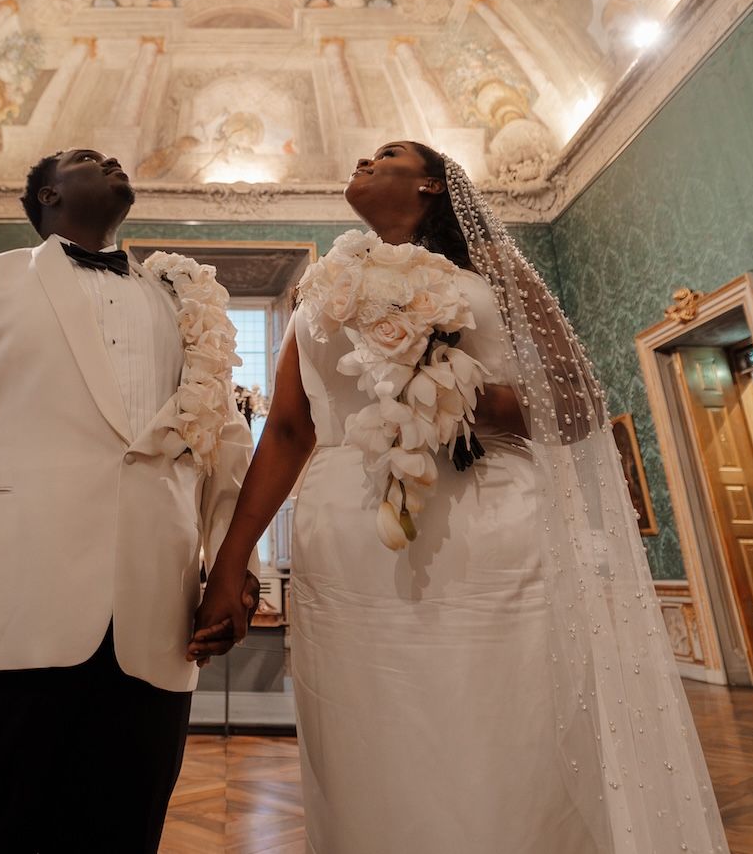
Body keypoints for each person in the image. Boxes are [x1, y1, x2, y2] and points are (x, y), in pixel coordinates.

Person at [192, 141, 726, 852]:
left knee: (500, 730)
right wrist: (232, 560)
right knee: (367, 744)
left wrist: (455, 396)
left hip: (489, 529)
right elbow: (289, 430)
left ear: (433, 185)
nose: (362, 158)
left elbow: (579, 401)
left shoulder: (494, 270)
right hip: (348, 552)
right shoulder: (318, 286)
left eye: (385, 154)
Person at [0, 148, 259, 852]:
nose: (111, 159)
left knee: (124, 833)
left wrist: (234, 568)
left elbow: (223, 446)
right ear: (46, 194)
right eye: (85, 158)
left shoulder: (187, 305)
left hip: (154, 625)